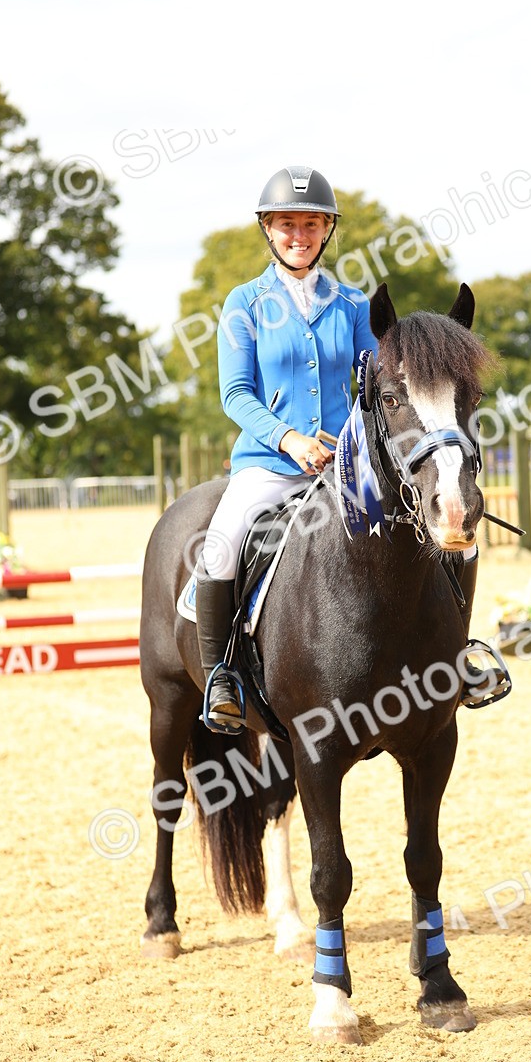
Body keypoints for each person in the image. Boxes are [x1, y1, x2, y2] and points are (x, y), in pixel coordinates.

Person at [196, 165, 377, 729]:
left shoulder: (352, 304)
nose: (299, 235)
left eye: (310, 223)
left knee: (430, 530)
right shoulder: (244, 303)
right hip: (269, 466)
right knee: (220, 546)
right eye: (286, 224)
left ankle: (458, 652)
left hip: (345, 465)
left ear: (327, 230)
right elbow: (234, 393)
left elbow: (373, 382)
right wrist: (288, 437)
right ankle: (219, 677)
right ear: (268, 231)